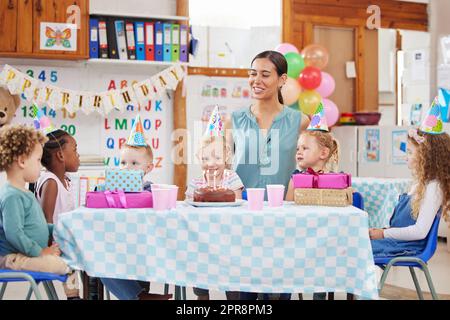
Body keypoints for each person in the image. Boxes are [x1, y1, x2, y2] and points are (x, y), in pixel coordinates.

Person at [224, 50, 309, 300]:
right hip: (240, 218)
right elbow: (224, 166)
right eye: (252, 74)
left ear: (282, 80)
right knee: (241, 296)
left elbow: (313, 161)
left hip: (281, 219)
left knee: (276, 295)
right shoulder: (235, 120)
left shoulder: (300, 121)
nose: (256, 80)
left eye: (265, 74)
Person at [0, 124, 81, 299]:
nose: (41, 165)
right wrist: (40, 251)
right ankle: (72, 294)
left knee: (69, 256)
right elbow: (14, 233)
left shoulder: (24, 193)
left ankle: (73, 295)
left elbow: (40, 224)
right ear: (22, 161)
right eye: (38, 160)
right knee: (59, 264)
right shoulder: (11, 196)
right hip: (13, 257)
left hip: (27, 252)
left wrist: (59, 231)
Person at [99, 115, 171, 300]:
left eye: (134, 164)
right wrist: (106, 190)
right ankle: (140, 297)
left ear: (148, 168)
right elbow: (98, 201)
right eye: (123, 163)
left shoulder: (150, 189)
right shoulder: (111, 188)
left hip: (143, 245)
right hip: (115, 244)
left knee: (139, 261)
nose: (126, 168)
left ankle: (140, 295)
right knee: (98, 258)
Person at [369, 101, 450, 259]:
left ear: (426, 156)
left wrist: (383, 233)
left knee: (355, 248)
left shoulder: (433, 187)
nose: (406, 156)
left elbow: (419, 232)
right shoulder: (421, 184)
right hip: (399, 243)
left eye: (410, 152)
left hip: (408, 247)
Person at [187, 107, 244, 300]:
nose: (211, 163)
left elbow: (238, 202)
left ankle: (234, 299)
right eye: (205, 158)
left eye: (217, 157)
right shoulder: (196, 183)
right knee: (199, 264)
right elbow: (188, 205)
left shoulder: (232, 178)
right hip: (202, 235)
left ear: (226, 157)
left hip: (229, 235)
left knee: (231, 273)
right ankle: (202, 296)